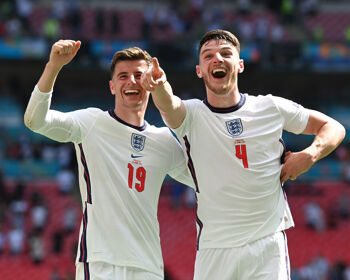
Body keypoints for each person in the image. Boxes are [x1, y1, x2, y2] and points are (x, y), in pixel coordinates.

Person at [141, 29, 346, 279]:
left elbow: (333, 127)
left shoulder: (270, 107)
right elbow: (169, 105)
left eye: (226, 53)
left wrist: (310, 154)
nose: (217, 58)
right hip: (214, 248)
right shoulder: (191, 115)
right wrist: (160, 86)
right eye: (208, 56)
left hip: (266, 245)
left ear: (239, 65)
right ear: (199, 70)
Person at [24, 40, 193, 280]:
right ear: (112, 86)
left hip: (149, 266)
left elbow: (204, 180)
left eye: (138, 75)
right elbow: (35, 121)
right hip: (101, 263)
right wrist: (53, 66)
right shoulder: (91, 123)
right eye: (123, 76)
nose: (131, 81)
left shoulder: (164, 140)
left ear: (150, 82)